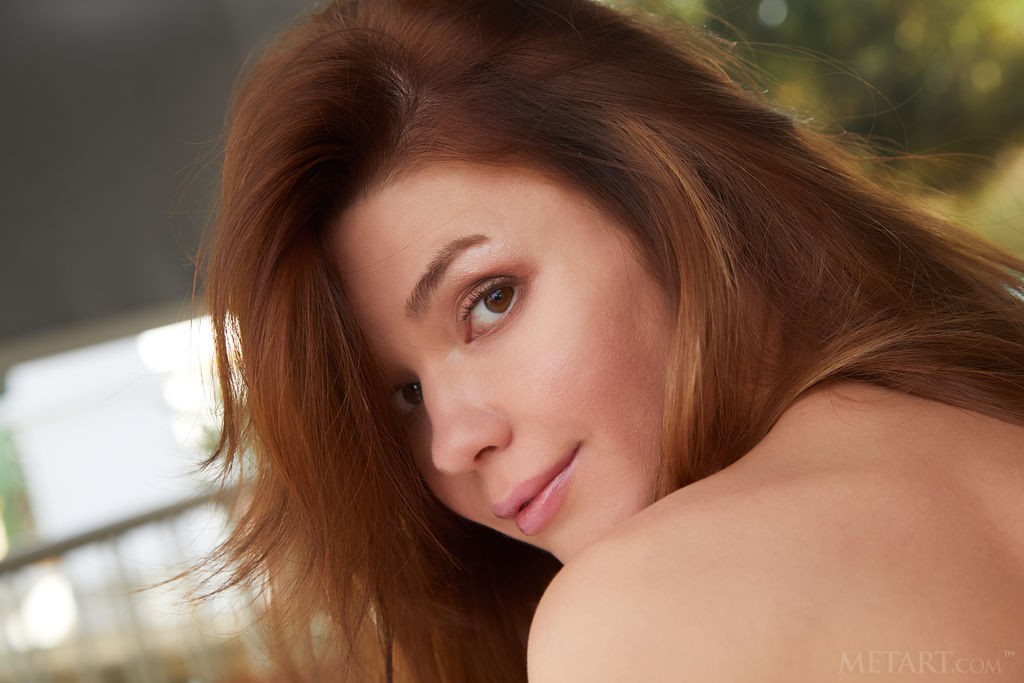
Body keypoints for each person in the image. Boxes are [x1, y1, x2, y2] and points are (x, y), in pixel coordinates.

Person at [200, 0, 1024, 680]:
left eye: (490, 301)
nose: (452, 442)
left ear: (665, 190)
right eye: (404, 395)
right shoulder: (985, 418)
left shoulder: (637, 613)